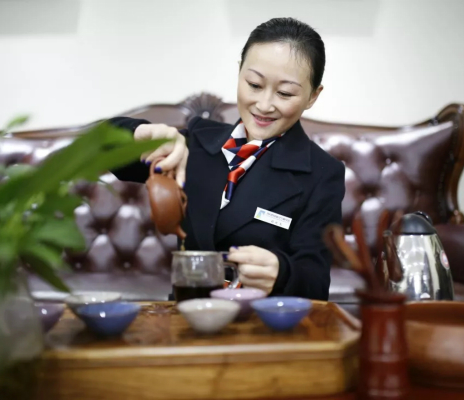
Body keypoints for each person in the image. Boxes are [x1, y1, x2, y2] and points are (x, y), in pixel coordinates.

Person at [109, 17, 345, 300]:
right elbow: (100, 149)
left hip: (260, 322)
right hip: (186, 316)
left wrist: (282, 273)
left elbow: (315, 282)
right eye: (254, 84)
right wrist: (140, 134)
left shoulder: (322, 173)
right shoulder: (197, 142)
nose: (264, 105)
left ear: (312, 96)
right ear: (239, 72)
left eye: (285, 93)